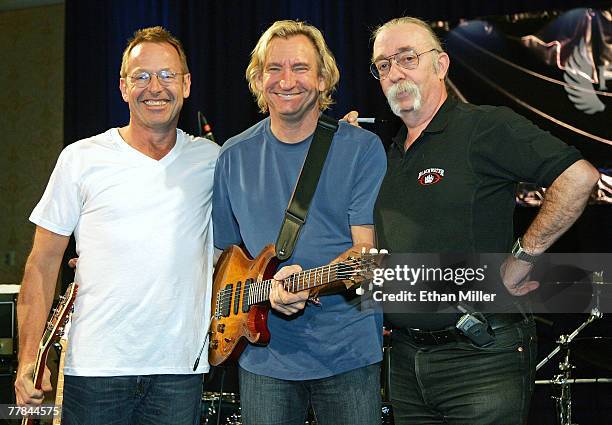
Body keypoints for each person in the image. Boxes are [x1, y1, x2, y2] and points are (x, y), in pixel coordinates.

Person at [345, 16, 600, 425]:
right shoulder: (384, 153)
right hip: (405, 362)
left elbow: (578, 177)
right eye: (384, 65)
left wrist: (522, 257)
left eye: (407, 57)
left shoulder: (485, 126)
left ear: (441, 65)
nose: (395, 72)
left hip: (481, 358)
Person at [15, 26, 219, 425]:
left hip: (179, 372)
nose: (154, 87)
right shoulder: (81, 159)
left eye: (167, 75)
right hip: (95, 372)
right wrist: (29, 360)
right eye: (141, 76)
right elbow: (41, 265)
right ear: (123, 87)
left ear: (187, 84)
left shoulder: (212, 160)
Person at [212, 20, 387, 425]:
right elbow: (226, 256)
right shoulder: (232, 155)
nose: (286, 80)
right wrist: (251, 299)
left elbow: (366, 254)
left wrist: (304, 283)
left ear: (324, 77)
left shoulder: (362, 149)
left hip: (347, 353)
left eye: (301, 68)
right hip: (262, 356)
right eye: (273, 69)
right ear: (258, 79)